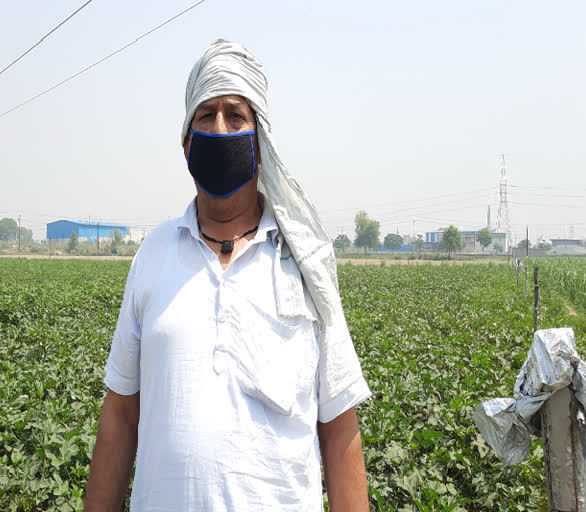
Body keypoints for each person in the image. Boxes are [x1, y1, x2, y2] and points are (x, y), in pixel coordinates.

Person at [85, 39, 372, 512]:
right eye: (206, 115)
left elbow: (339, 428)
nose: (221, 128)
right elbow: (120, 414)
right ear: (186, 144)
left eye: (236, 116)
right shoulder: (154, 254)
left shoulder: (305, 260)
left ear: (260, 141)